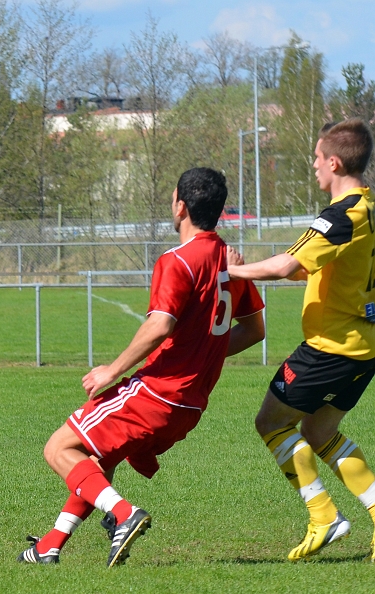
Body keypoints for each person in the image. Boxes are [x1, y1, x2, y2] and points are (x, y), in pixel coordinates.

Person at [19, 167, 265, 567]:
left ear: (180, 205)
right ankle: (50, 545)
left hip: (157, 391)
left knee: (60, 447)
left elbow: (159, 324)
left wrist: (110, 370)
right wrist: (205, 351)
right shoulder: (230, 261)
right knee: (99, 461)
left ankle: (124, 514)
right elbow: (254, 330)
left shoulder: (179, 260)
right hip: (191, 404)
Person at [227, 119, 375, 562]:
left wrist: (231, 270)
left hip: (331, 347)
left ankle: (324, 516)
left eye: (315, 158)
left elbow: (286, 266)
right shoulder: (368, 209)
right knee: (320, 430)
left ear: (333, 162)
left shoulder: (342, 214)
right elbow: (320, 267)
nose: (312, 166)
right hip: (363, 346)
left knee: (270, 423)